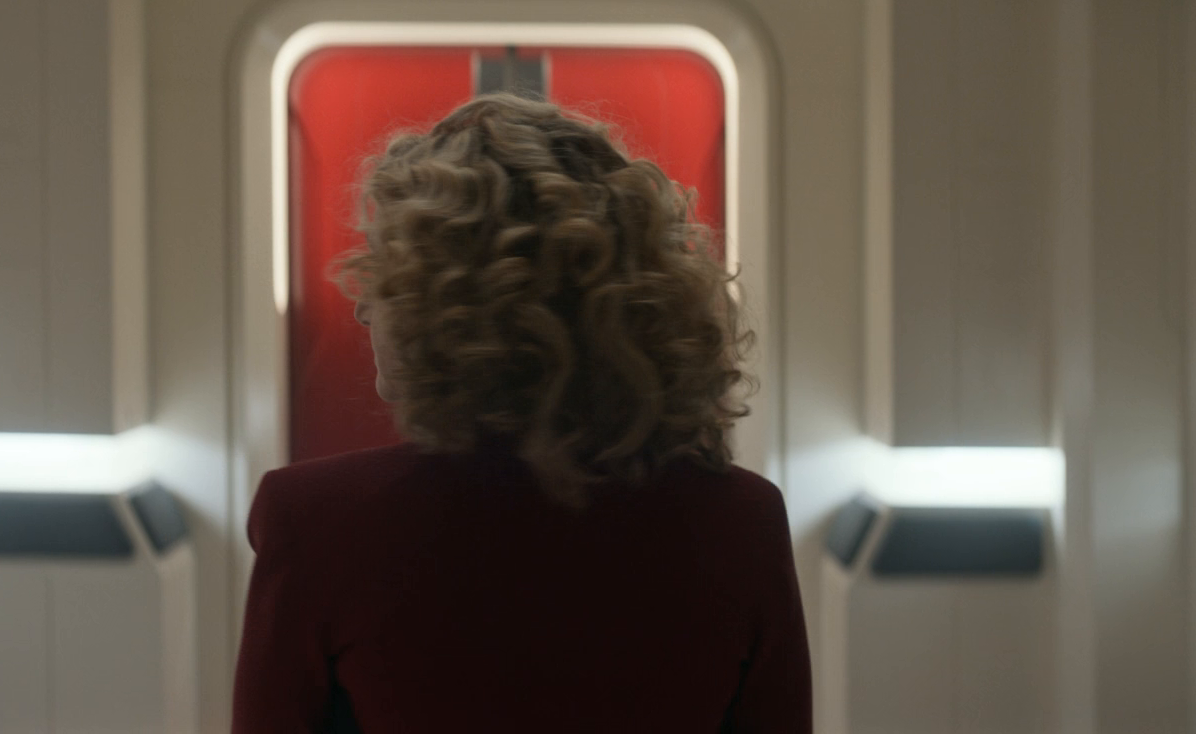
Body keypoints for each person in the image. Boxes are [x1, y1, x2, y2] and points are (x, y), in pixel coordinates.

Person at [232, 94, 810, 733]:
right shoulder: (741, 520)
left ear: (452, 305)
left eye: (387, 276)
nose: (365, 309)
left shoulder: (315, 521)